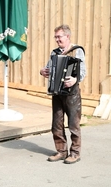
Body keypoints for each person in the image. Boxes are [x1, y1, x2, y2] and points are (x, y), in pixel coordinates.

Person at [40, 25, 86, 164]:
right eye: (56, 37)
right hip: (57, 93)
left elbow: (82, 72)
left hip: (72, 94)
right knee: (56, 124)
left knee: (73, 124)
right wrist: (43, 71)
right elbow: (48, 68)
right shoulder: (54, 53)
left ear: (67, 36)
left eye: (59, 37)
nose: (57, 39)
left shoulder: (77, 51)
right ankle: (61, 151)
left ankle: (75, 153)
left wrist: (74, 79)